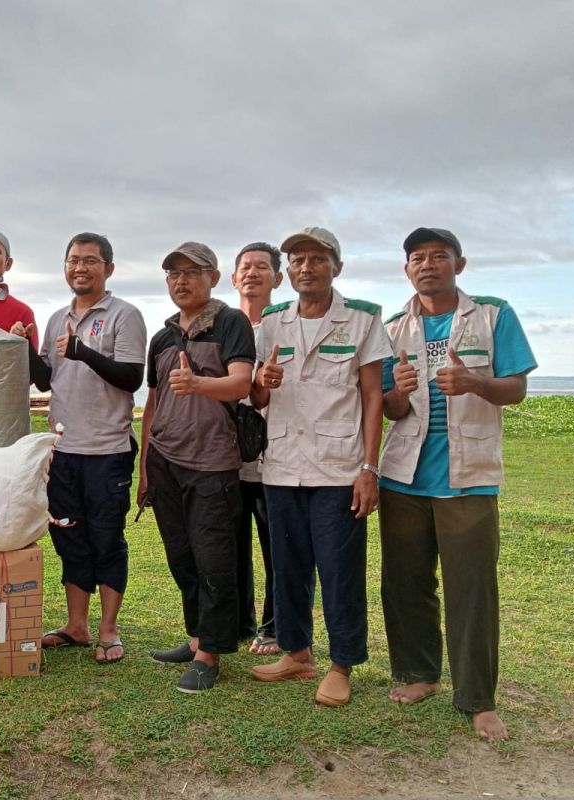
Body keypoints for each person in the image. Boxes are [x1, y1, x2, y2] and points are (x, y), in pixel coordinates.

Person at [378, 227, 535, 742]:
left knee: (472, 590)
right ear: (406, 270)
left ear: (458, 265)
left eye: (438, 256)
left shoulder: (492, 314)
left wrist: (475, 383)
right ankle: (418, 674)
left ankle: (478, 699)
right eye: (417, 258)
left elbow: (515, 389)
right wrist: (397, 394)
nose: (428, 265)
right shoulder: (394, 327)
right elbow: (391, 409)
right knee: (406, 583)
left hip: (468, 481)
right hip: (405, 476)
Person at [248, 226, 390, 707]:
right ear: (287, 271)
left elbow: (373, 396)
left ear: (337, 266)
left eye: (316, 259)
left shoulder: (364, 319)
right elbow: (257, 395)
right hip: (283, 464)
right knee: (286, 567)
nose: (305, 267)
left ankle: (342, 664)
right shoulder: (271, 321)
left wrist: (369, 467)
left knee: (339, 570)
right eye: (297, 260)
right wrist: (261, 381)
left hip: (339, 468)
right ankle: (297, 653)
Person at [139, 242, 255, 691]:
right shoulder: (163, 336)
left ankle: (211, 653)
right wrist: (148, 464)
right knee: (181, 555)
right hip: (165, 459)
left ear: (214, 277)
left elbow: (242, 383)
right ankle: (195, 637)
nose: (181, 281)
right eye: (173, 273)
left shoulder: (230, 322)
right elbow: (153, 402)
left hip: (212, 461)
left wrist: (198, 382)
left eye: (192, 272)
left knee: (213, 558)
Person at [30, 233, 146, 666]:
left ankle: (108, 631)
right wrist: (26, 348)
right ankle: (76, 626)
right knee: (69, 537)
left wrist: (83, 351)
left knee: (106, 539)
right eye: (74, 260)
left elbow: (132, 378)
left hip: (107, 449)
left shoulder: (125, 315)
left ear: (108, 269)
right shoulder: (57, 316)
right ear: (64, 267)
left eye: (91, 261)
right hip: (64, 449)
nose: (81, 267)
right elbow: (46, 379)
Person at [230, 242, 284, 655]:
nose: (252, 273)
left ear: (277, 279)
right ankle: (237, 622)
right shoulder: (225, 327)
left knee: (276, 545)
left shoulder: (285, 326)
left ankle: (275, 626)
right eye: (245, 267)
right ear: (233, 278)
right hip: (227, 456)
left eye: (262, 267)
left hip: (276, 457)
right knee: (230, 546)